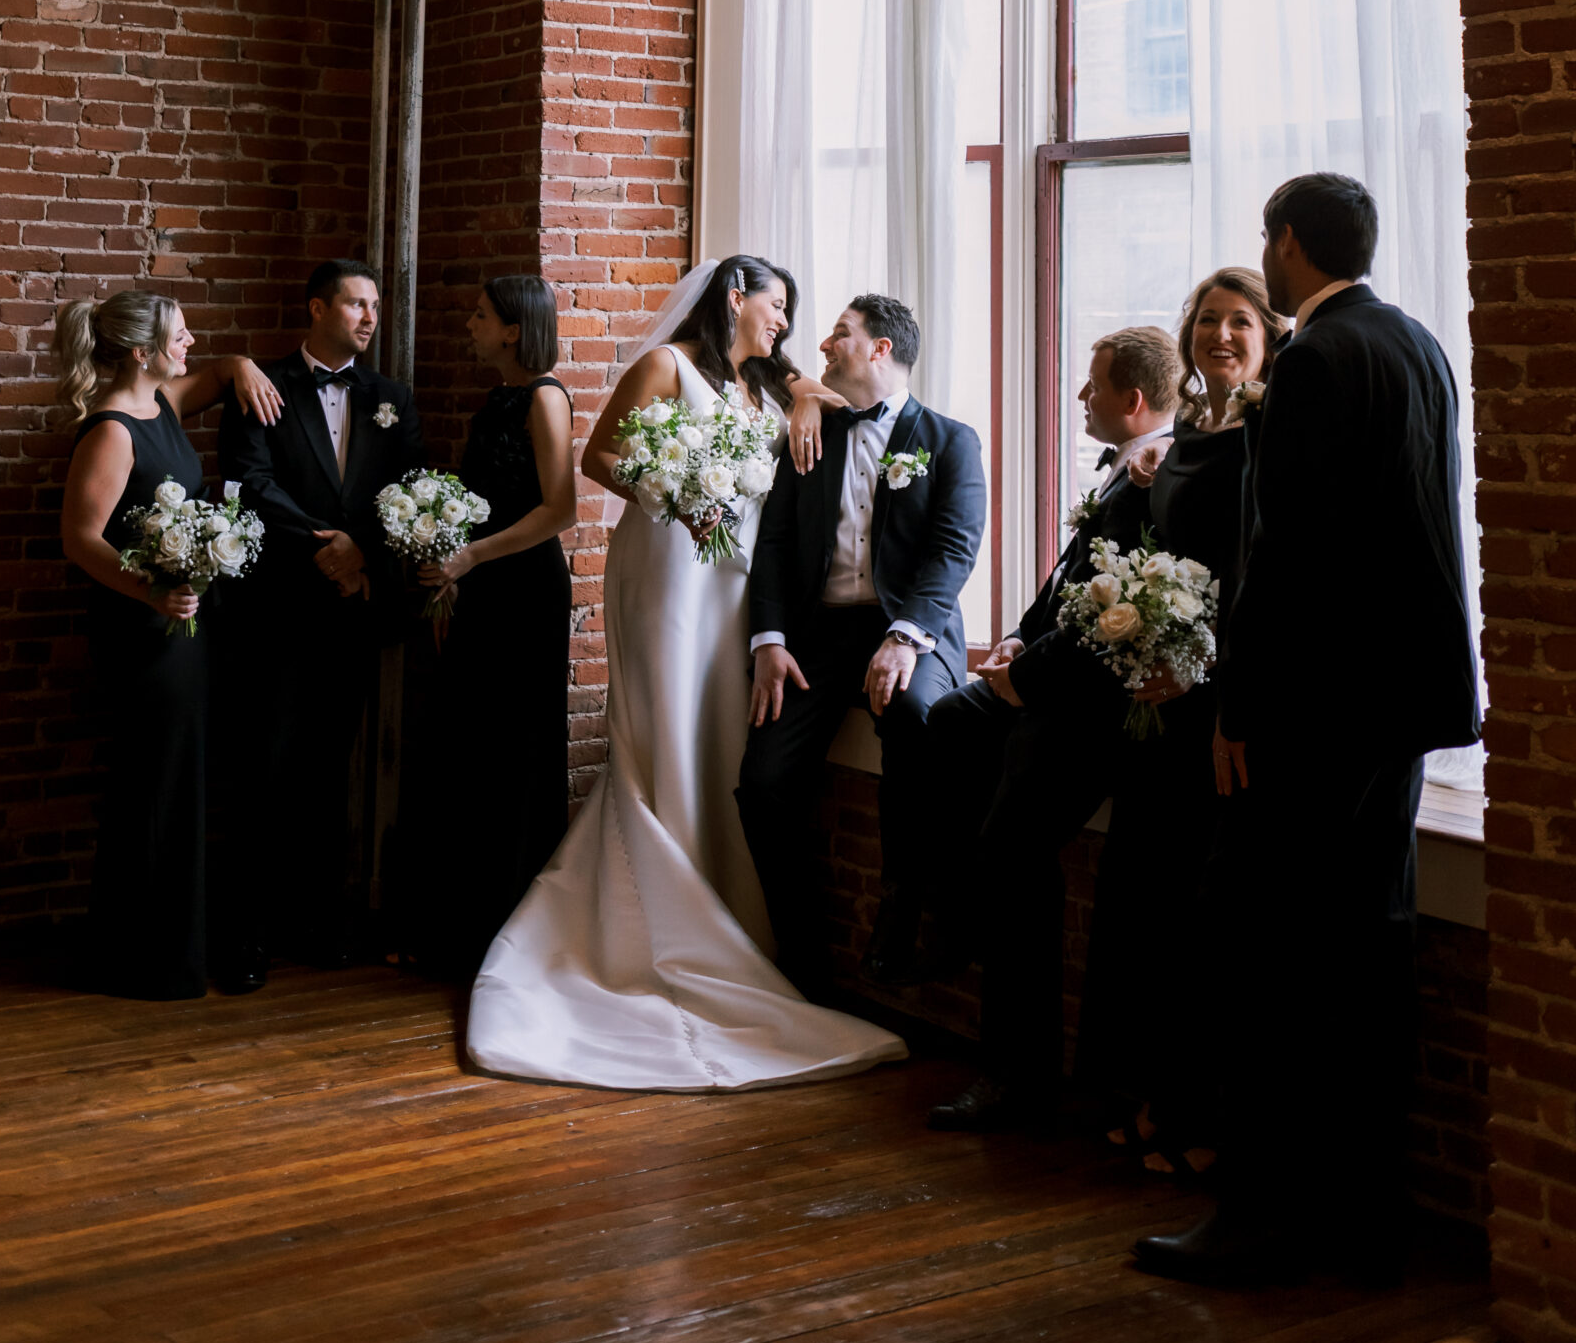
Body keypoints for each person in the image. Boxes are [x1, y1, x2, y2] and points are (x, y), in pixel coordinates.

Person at [1136, 173, 1480, 1288]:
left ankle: (1259, 1209)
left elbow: (1288, 553)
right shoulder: (1419, 341)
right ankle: (1360, 1207)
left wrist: (1241, 704)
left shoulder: (1317, 360)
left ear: (1285, 246)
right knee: (1367, 949)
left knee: (1263, 948)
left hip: (1317, 709)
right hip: (1402, 704)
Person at [465, 255, 906, 1089]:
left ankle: (720, 908)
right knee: (666, 721)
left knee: (717, 727)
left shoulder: (770, 386)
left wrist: (805, 391)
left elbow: (833, 400)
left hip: (738, 580)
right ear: (733, 298)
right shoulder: (667, 365)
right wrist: (676, 491)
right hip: (667, 564)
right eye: (776, 306)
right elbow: (599, 461)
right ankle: (661, 916)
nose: (783, 323)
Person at [922, 324, 1180, 1132]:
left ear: (1132, 401)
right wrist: (1014, 640)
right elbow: (1073, 581)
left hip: (1090, 710)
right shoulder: (1125, 468)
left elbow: (1121, 609)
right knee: (942, 730)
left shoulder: (1156, 477)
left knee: (1009, 850)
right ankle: (951, 905)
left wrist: (1022, 679)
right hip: (1046, 675)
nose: (1078, 398)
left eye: (1091, 385)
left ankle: (1017, 1074)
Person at [1081, 268, 1284, 1178]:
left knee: (1208, 920)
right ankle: (1143, 1093)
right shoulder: (1190, 432)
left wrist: (1204, 670)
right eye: (1207, 321)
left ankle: (1200, 1117)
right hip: (1155, 699)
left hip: (1219, 706)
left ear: (1269, 334)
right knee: (1142, 905)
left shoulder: (1275, 428)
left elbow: (1257, 572)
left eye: (1240, 321)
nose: (1222, 335)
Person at [735, 292, 986, 1000]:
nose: (824, 346)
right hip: (817, 636)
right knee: (763, 784)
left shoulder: (949, 438)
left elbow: (953, 550)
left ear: (881, 349)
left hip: (911, 626)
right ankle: (802, 956)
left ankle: (904, 903)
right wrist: (769, 639)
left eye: (839, 335)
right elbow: (776, 545)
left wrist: (906, 637)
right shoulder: (811, 436)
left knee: (915, 722)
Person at [53, 289, 281, 1000]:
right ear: (141, 352)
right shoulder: (114, 429)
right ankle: (142, 961)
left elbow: (214, 375)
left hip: (183, 623)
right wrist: (149, 593)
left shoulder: (165, 403)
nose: (192, 342)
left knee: (180, 781)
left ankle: (169, 951)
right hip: (143, 628)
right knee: (153, 788)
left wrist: (239, 364)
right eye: (180, 335)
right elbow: (80, 539)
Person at [214, 258, 423, 986]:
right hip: (277, 609)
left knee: (328, 774)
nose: (369, 317)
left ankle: (317, 923)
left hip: (352, 608)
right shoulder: (262, 384)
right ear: (316, 309)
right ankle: (245, 936)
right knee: (261, 769)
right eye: (355, 304)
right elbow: (247, 482)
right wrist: (323, 547)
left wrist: (359, 549)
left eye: (374, 305)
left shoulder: (390, 396)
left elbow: (405, 491)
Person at [403, 276, 575, 978]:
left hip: (525, 592)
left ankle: (509, 928)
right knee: (469, 748)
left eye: (479, 316)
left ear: (512, 329)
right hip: (481, 587)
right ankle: (461, 925)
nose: (468, 324)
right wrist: (452, 581)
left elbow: (559, 509)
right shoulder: (497, 399)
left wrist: (469, 557)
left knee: (514, 750)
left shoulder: (544, 398)